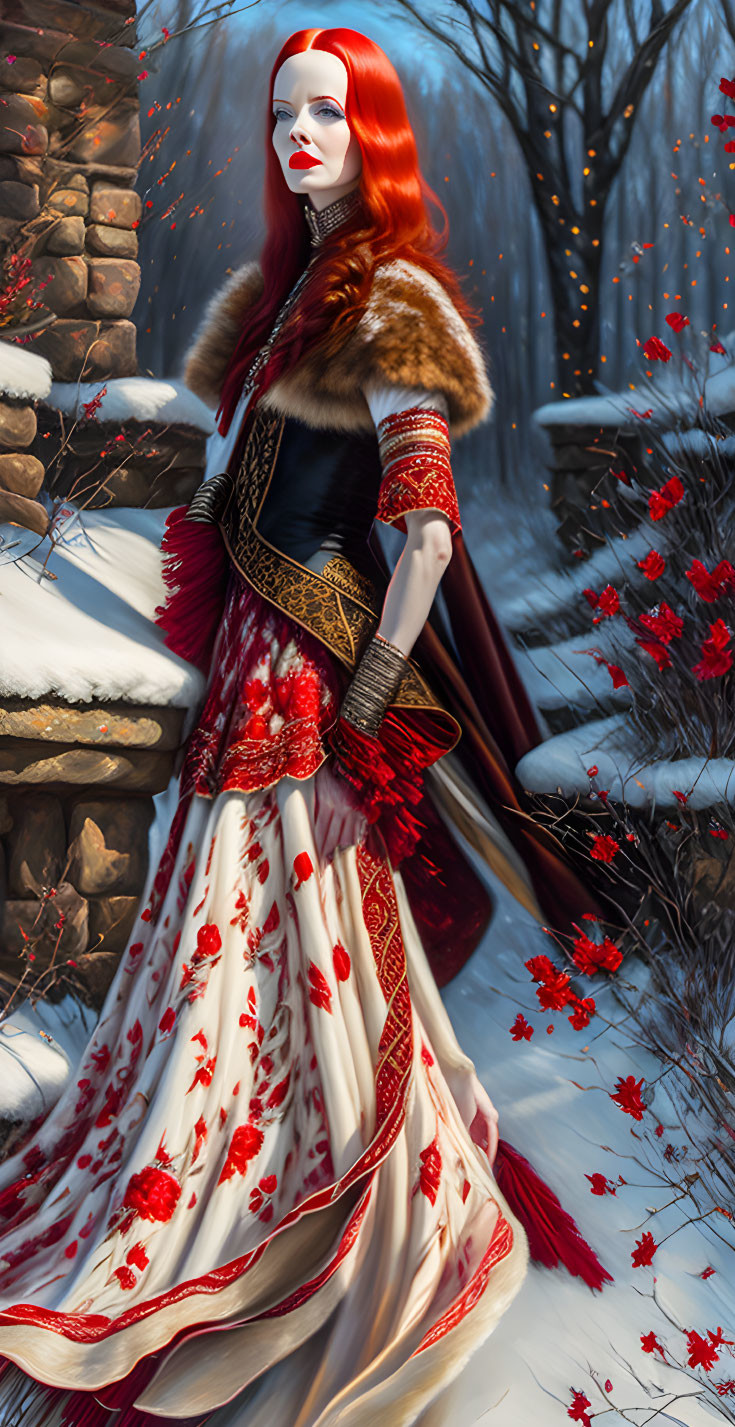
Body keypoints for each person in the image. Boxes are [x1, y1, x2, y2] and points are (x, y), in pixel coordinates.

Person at [0, 27, 608, 1427]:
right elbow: (228, 495)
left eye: (328, 111)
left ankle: (318, 1226)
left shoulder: (392, 298)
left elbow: (429, 539)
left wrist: (367, 721)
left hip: (323, 682)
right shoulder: (275, 302)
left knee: (314, 968)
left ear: (374, 129)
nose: (299, 132)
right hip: (245, 680)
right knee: (213, 960)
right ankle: (208, 1190)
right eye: (285, 112)